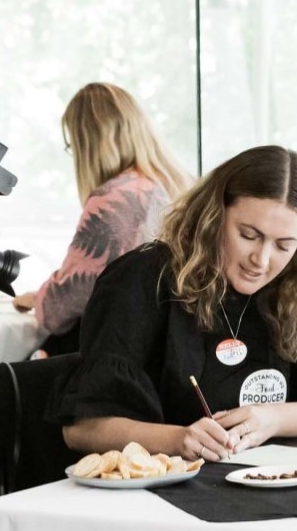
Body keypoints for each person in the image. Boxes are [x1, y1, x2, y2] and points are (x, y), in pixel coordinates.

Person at [54, 145, 297, 459]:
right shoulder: (140, 280)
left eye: (284, 245)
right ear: (215, 215)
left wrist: (273, 419)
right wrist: (177, 439)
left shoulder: (295, 288)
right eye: (248, 235)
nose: (261, 259)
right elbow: (83, 429)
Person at [11, 82, 191, 356]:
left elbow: (61, 308)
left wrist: (38, 298)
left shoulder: (112, 200)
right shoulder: (180, 187)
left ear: (90, 145)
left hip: (121, 357)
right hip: (168, 352)